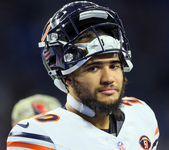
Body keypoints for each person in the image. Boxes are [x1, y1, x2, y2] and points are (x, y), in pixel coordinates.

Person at [7, 1, 159, 149]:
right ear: (67, 77)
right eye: (93, 68)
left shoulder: (141, 114)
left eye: (114, 66)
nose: (108, 78)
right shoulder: (39, 136)